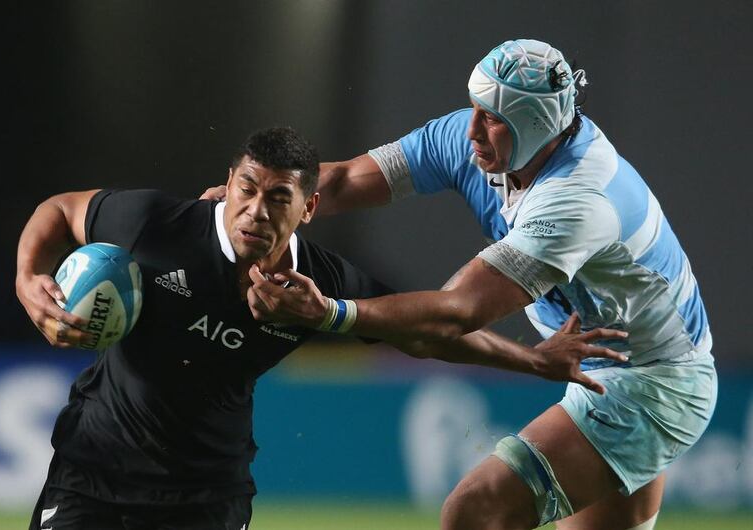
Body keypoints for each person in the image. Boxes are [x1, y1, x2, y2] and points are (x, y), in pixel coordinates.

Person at [16, 126, 623, 530]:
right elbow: (60, 210)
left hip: (205, 497)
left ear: (308, 209)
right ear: (226, 186)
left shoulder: (323, 284)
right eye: (245, 190)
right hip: (93, 473)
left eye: (277, 198)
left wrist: (535, 361)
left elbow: (426, 334)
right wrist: (28, 281)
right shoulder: (156, 223)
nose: (255, 211)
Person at [233, 40, 717, 530]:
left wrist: (330, 314)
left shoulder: (577, 199)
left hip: (652, 384)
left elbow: (455, 313)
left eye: (492, 118)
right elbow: (337, 183)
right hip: (606, 371)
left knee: (475, 510)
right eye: (475, 109)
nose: (471, 130)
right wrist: (238, 212)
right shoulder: (481, 142)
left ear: (536, 124)